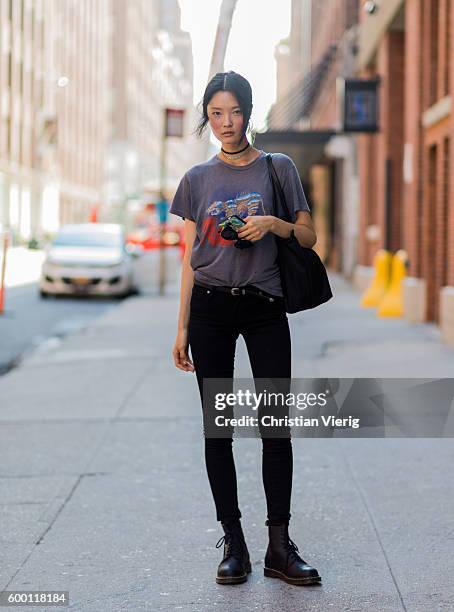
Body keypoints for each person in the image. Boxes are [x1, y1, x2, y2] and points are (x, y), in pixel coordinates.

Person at [171, 71, 321, 587]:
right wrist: (181, 327)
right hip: (211, 311)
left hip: (265, 308)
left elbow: (308, 233)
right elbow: (190, 260)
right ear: (207, 118)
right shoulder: (195, 180)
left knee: (275, 427)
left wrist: (274, 225)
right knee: (220, 430)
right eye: (216, 113)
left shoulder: (278, 168)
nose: (226, 123)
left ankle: (279, 545)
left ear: (248, 113)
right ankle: (234, 542)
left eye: (235, 112)